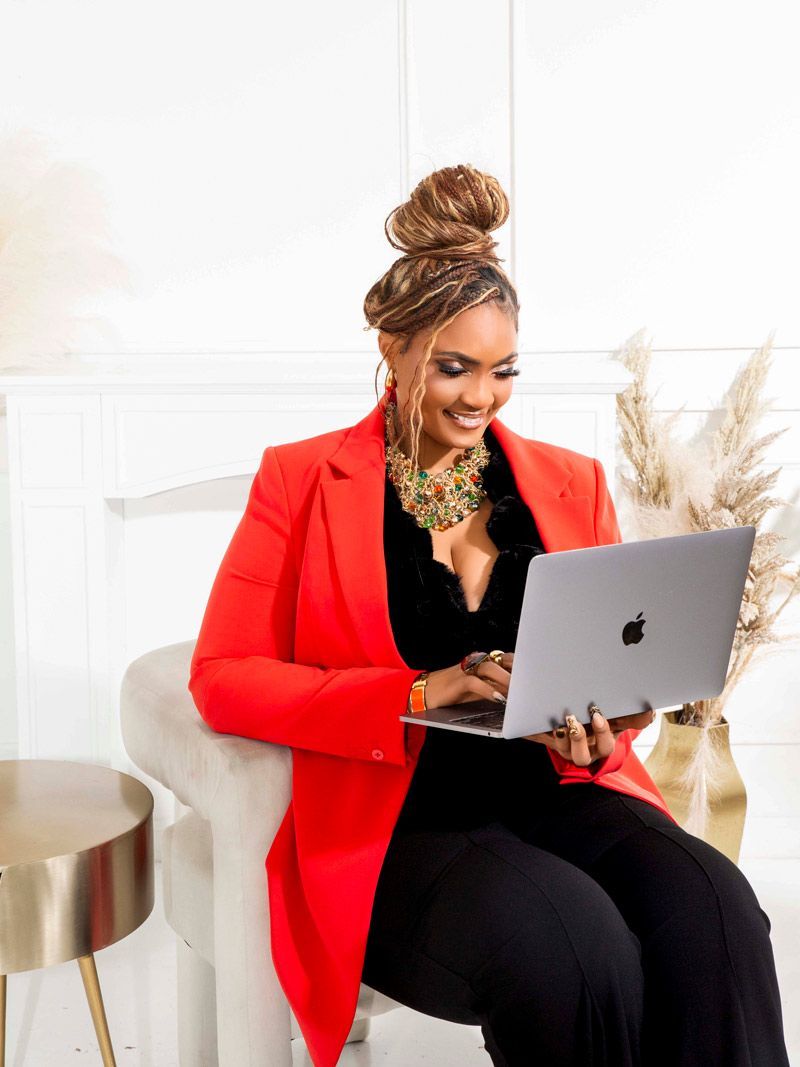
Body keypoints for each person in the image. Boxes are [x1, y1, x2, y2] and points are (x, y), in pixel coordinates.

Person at [188, 164, 790, 1066]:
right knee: (573, 950)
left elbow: (609, 668)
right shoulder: (302, 481)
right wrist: (418, 688)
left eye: (503, 370)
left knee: (717, 907)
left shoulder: (569, 482)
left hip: (554, 792)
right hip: (401, 827)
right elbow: (222, 678)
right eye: (454, 367)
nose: (481, 396)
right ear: (392, 349)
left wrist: (607, 725)